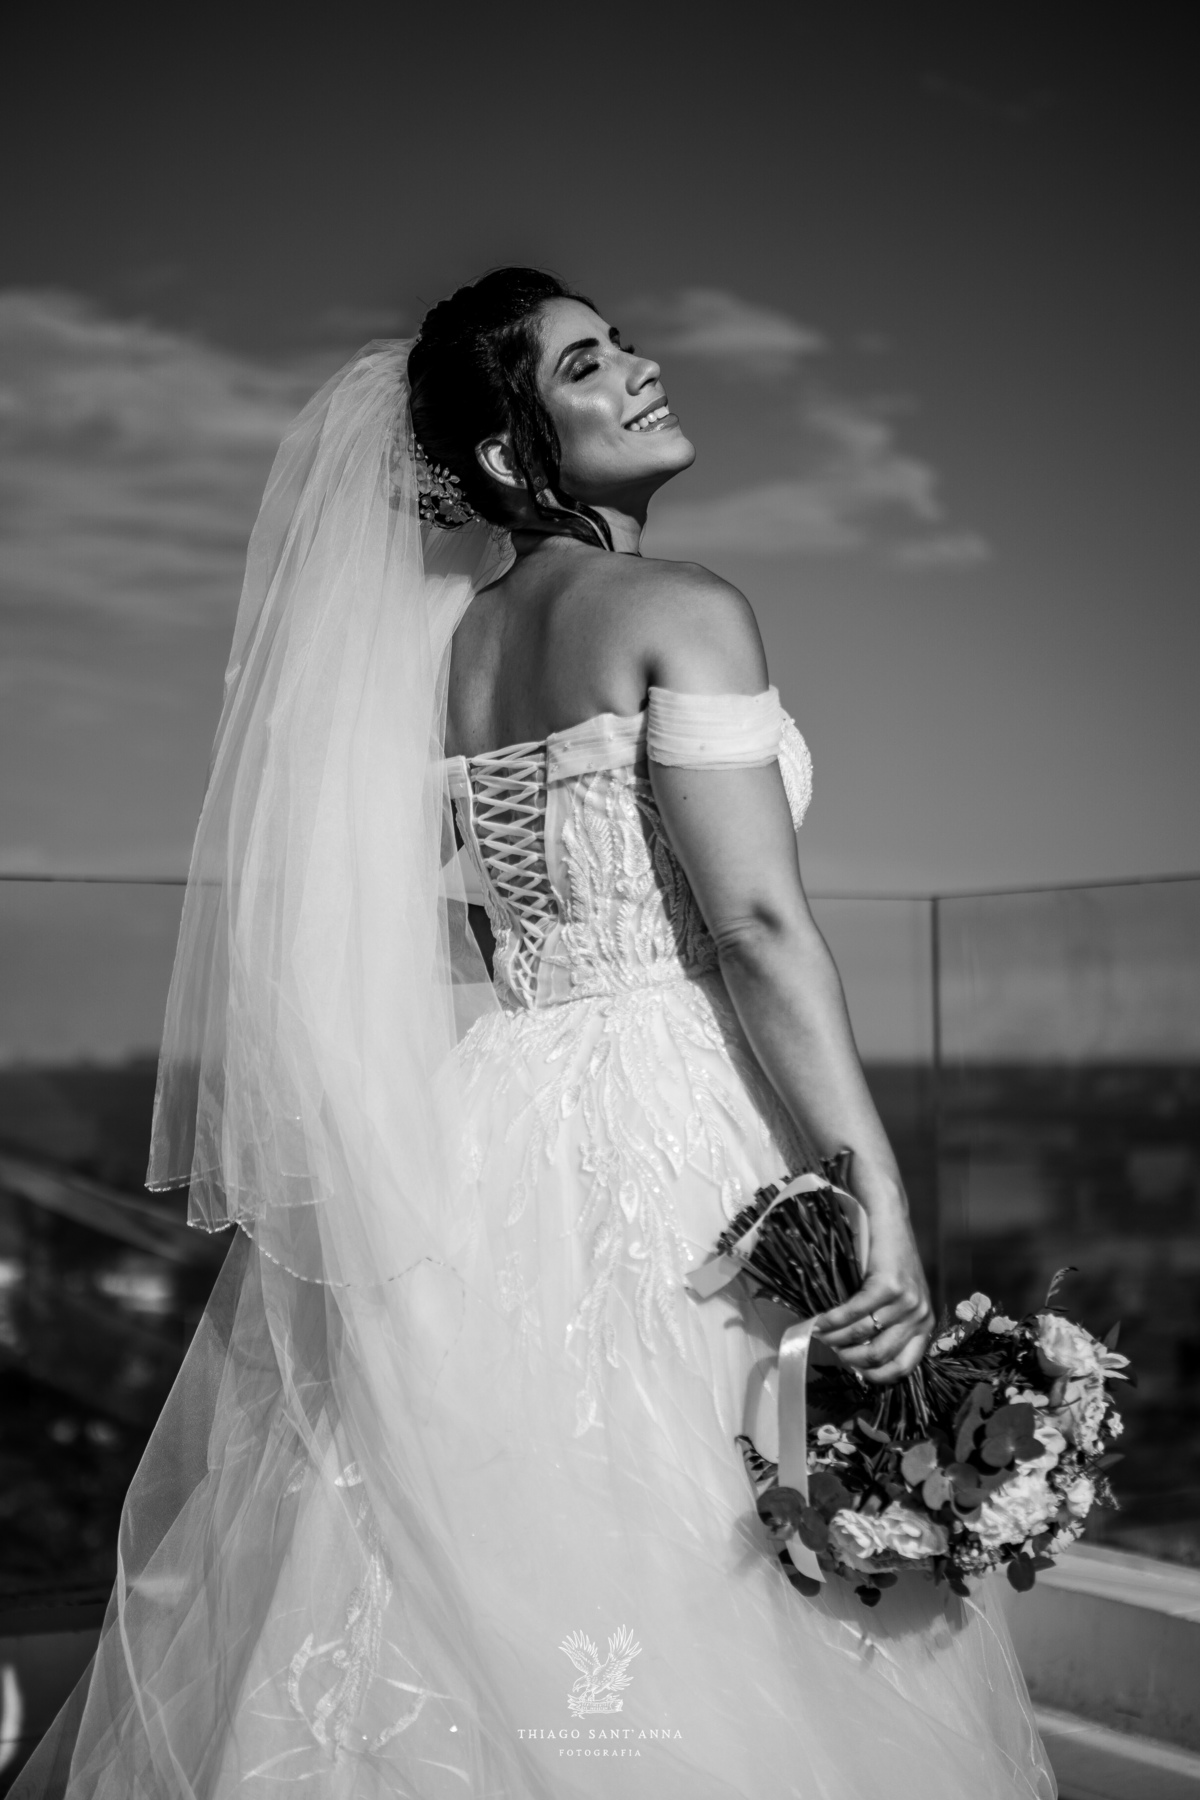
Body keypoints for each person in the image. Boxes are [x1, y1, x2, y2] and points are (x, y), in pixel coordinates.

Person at [13, 268, 1056, 1798]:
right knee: (704, 1523)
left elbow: (447, 936)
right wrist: (876, 1194)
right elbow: (758, 932)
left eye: (621, 341)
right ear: (512, 452)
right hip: (676, 1107)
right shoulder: (682, 608)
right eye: (585, 365)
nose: (639, 366)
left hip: (491, 1108)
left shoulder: (436, 656)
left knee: (464, 1528)